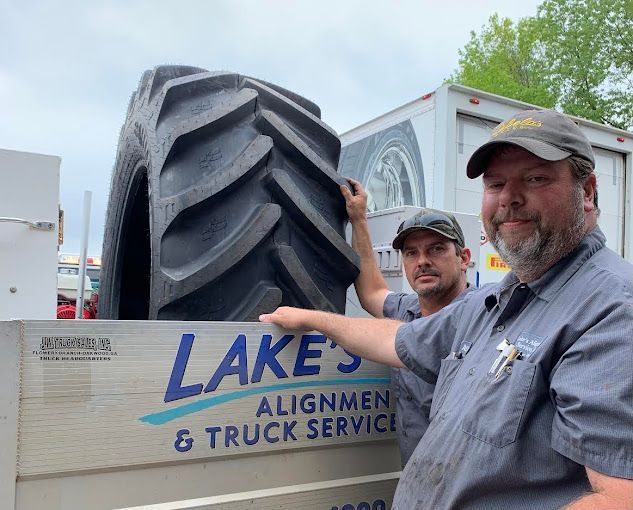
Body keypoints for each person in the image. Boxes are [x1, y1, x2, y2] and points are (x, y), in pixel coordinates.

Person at [261, 109, 633, 509]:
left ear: (588, 192)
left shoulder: (611, 310)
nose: (509, 197)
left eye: (536, 177)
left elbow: (618, 498)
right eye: (496, 183)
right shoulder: (494, 302)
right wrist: (310, 318)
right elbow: (396, 338)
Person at [341, 178, 472, 466]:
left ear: (464, 258)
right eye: (412, 253)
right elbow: (372, 291)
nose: (422, 260)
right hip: (417, 483)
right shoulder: (407, 309)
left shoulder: (483, 316)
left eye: (436, 249)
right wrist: (359, 219)